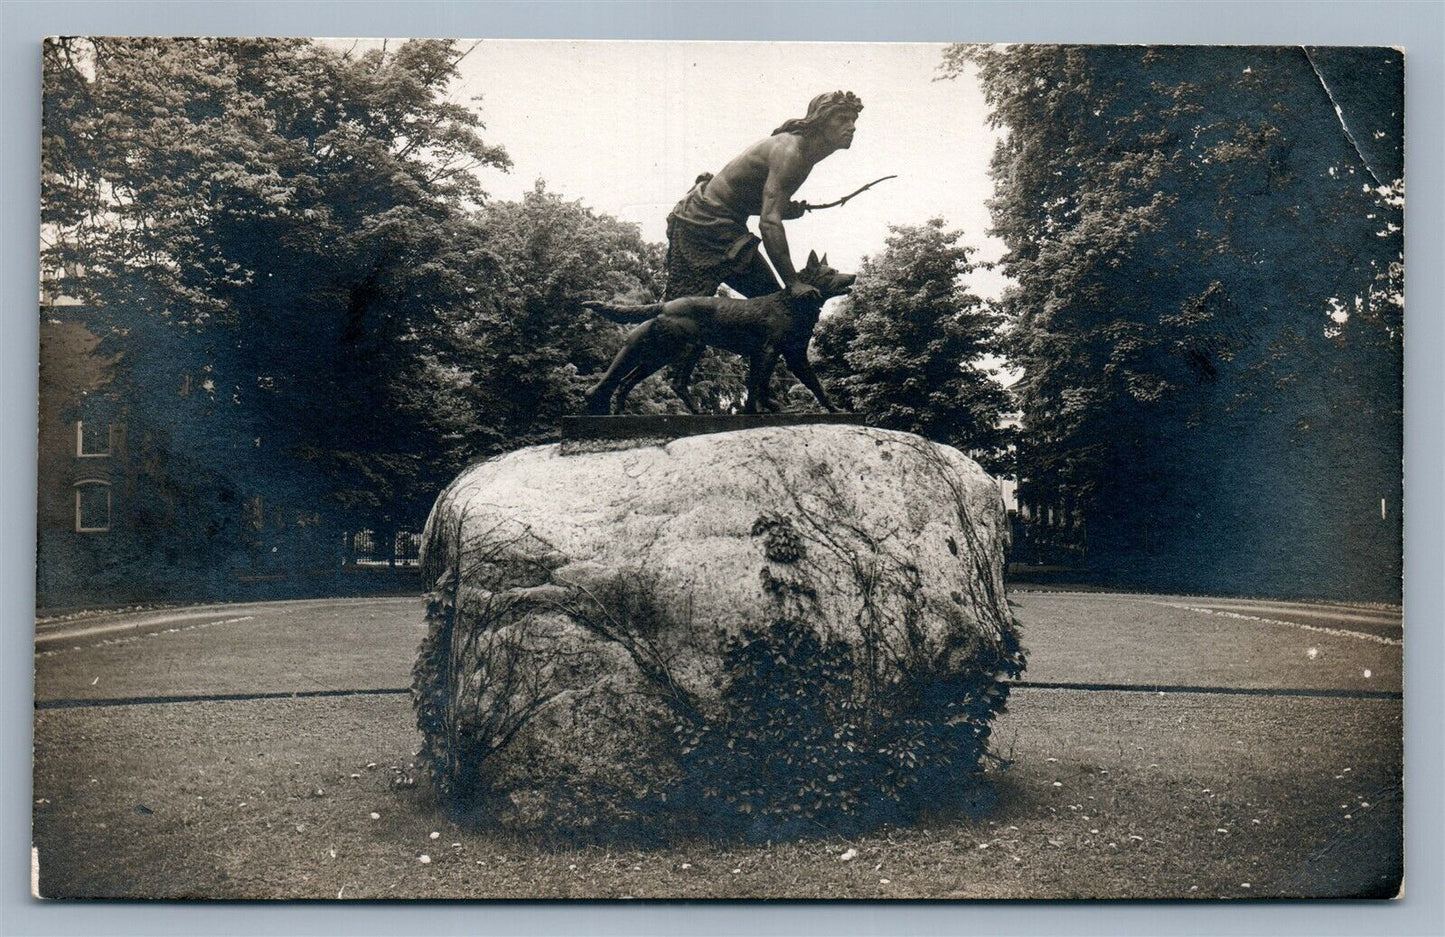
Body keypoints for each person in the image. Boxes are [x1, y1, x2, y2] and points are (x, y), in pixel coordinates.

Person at [663, 90, 862, 301]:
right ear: (821, 121)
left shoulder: (804, 154)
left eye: (853, 120)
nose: (852, 126)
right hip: (704, 223)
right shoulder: (791, 152)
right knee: (771, 304)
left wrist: (784, 210)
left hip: (716, 221)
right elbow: (769, 222)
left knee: (763, 304)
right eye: (842, 119)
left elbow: (748, 198)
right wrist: (793, 282)